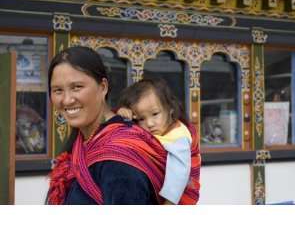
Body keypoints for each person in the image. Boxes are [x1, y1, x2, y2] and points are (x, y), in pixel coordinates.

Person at [46, 46, 200, 205]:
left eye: (77, 87)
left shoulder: (120, 157)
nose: (67, 99)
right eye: (58, 90)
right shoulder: (84, 140)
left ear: (103, 87)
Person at [117, 78, 201, 204]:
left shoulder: (178, 136)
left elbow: (179, 174)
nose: (149, 124)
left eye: (155, 114)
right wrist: (122, 115)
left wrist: (169, 203)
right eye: (140, 119)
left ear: (170, 108)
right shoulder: (147, 133)